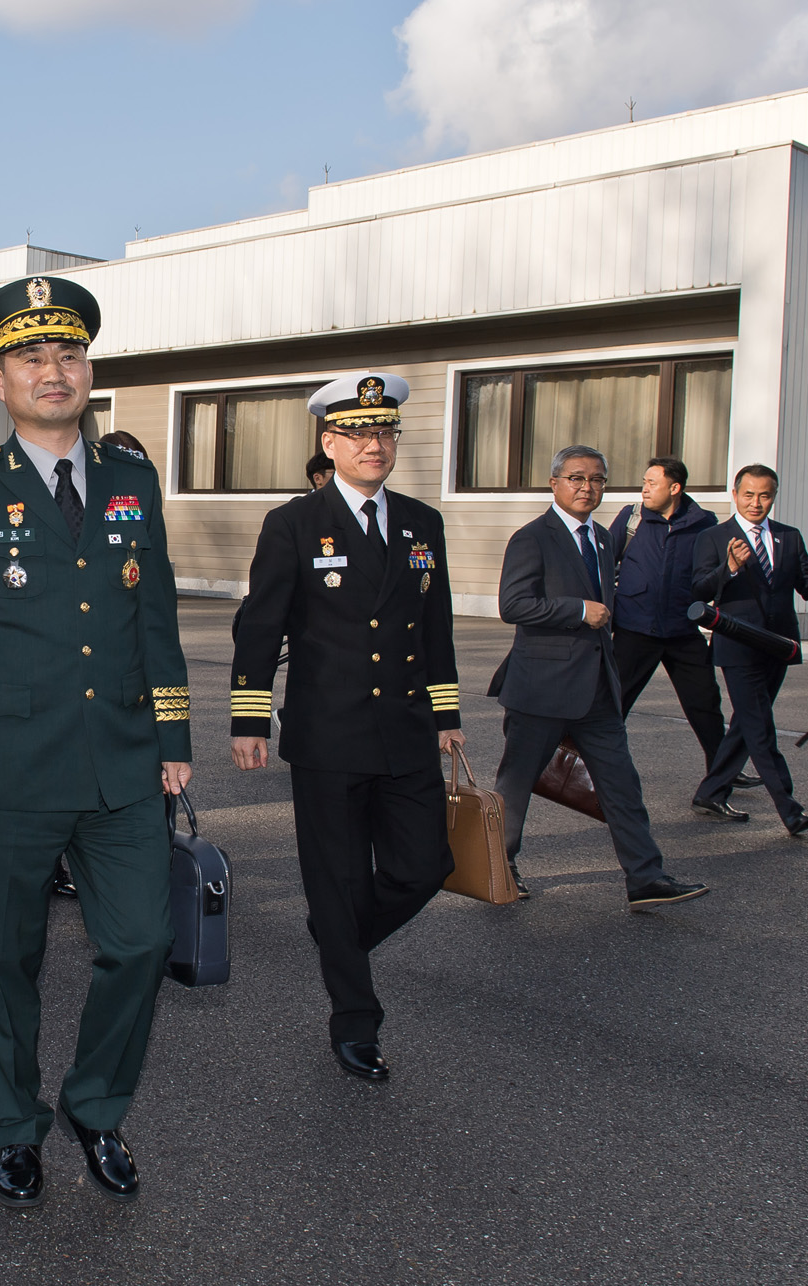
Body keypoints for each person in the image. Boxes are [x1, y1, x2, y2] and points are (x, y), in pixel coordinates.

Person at [0, 276, 192, 1209]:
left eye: (68, 354)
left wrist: (173, 734)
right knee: (5, 956)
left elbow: (155, 615)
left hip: (120, 759)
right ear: (1, 379)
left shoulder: (128, 480)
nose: (53, 370)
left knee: (143, 941)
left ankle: (97, 1106)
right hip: (6, 767)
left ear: (86, 369)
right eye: (32, 357)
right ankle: (14, 1126)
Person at [229, 372, 461, 1081]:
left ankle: (338, 933)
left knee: (426, 866)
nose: (375, 445)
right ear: (329, 443)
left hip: (406, 728)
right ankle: (355, 1020)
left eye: (385, 432)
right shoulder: (294, 524)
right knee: (335, 874)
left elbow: (437, 625)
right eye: (360, 433)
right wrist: (249, 717)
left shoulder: (423, 521)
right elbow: (260, 625)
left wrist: (447, 714)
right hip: (328, 734)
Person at [487, 445, 710, 911]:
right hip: (541, 688)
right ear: (555, 484)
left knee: (622, 784)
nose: (587, 488)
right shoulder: (533, 538)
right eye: (576, 478)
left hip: (598, 690)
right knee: (516, 783)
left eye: (597, 480)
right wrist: (577, 610)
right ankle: (498, 868)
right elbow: (514, 605)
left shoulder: (606, 539)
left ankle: (645, 877)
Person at [689, 464, 808, 835]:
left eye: (765, 495)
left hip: (778, 645)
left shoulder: (788, 538)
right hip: (737, 645)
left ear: (774, 497)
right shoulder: (714, 537)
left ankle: (711, 792)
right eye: (748, 494)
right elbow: (699, 589)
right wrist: (728, 568)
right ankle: (789, 809)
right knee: (760, 726)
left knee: (749, 723)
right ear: (735, 494)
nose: (756, 503)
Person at [607, 457, 743, 786]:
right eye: (645, 481)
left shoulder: (704, 524)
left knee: (705, 703)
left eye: (652, 483)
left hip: (682, 629)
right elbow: (604, 562)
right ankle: (591, 768)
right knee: (613, 703)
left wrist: (730, 569)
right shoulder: (632, 518)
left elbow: (711, 574)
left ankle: (722, 770)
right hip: (634, 629)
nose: (644, 488)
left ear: (675, 488)